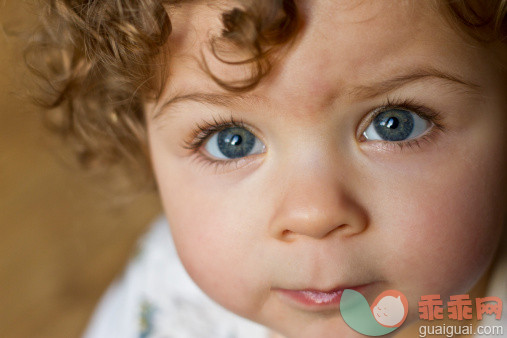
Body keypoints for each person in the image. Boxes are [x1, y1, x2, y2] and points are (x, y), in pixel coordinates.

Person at [27, 0, 507, 337]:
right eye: (231, 141)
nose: (313, 214)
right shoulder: (171, 304)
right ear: (139, 133)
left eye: (394, 124)